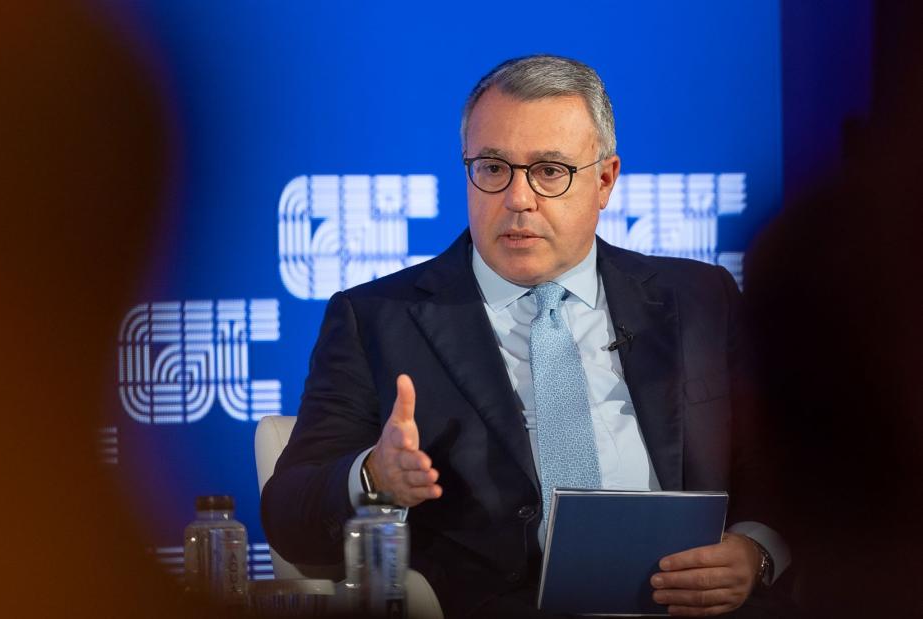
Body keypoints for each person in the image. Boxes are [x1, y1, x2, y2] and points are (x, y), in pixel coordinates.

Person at [262, 55, 790, 618]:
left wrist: (756, 551)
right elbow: (289, 514)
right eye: (493, 168)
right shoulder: (377, 318)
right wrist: (374, 477)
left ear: (605, 179)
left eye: (549, 170)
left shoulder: (700, 298)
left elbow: (793, 466)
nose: (518, 198)